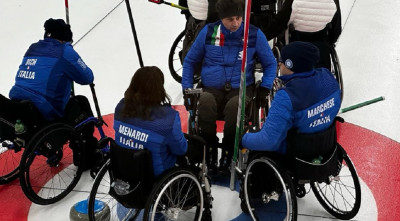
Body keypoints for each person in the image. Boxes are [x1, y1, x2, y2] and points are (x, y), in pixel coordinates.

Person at [182, 0, 277, 173]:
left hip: (241, 88)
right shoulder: (208, 32)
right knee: (205, 102)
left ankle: (228, 151)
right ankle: (208, 149)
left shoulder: (254, 34)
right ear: (221, 18)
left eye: (238, 18)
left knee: (236, 107)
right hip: (210, 88)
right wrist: (187, 88)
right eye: (230, 20)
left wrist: (265, 87)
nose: (235, 23)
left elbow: (270, 64)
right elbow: (189, 61)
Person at [241, 41, 341, 154]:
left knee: (258, 147)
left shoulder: (287, 96)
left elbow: (268, 141)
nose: (279, 64)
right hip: (326, 146)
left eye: (282, 61)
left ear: (290, 64)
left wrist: (243, 139)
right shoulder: (328, 77)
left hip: (296, 156)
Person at [9, 18, 94, 122]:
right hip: (44, 110)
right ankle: (88, 137)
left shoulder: (33, 48)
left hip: (17, 104)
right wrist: (71, 52)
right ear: (65, 38)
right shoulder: (65, 51)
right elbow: (87, 77)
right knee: (81, 102)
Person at [114, 66, 188, 177]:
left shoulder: (120, 107)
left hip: (124, 168)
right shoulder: (168, 119)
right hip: (155, 176)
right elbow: (180, 150)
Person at [257, 0, 342, 70]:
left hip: (295, 45)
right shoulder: (333, 1)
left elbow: (278, 25)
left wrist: (260, 37)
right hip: (321, 48)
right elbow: (336, 29)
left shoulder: (293, 2)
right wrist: (330, 42)